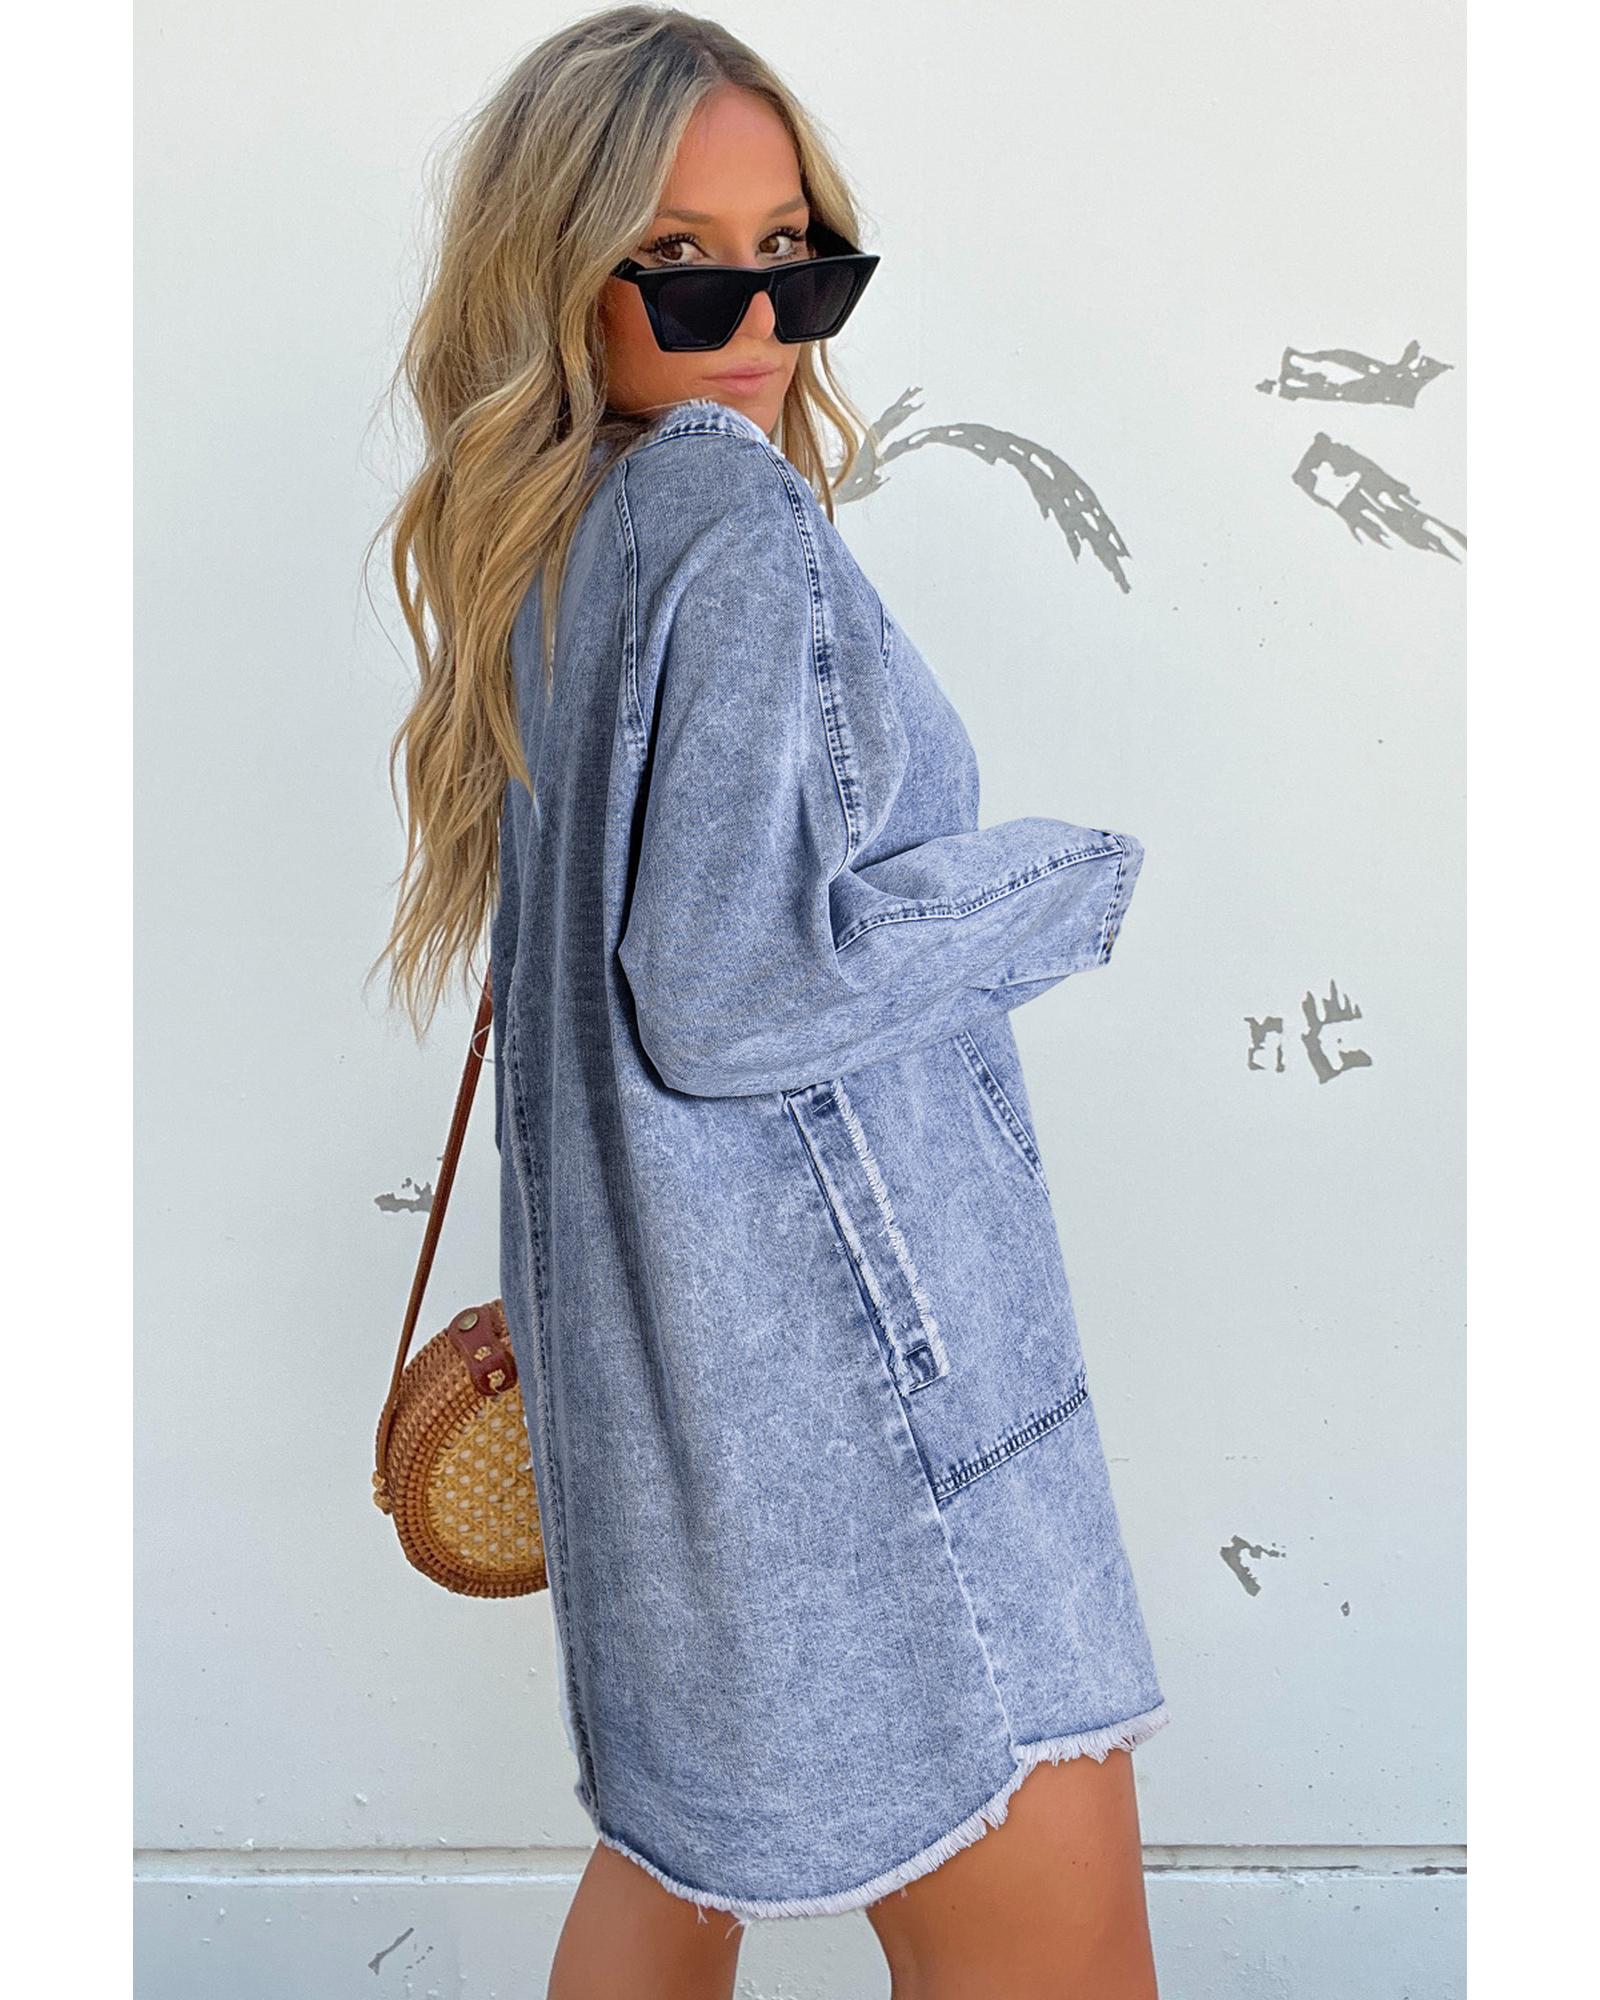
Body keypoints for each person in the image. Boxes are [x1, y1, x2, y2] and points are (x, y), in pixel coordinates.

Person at [373, 9, 1170, 1995]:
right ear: (557, 275)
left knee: (668, 1878)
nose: (755, 318)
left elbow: (590, 1011)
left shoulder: (550, 540)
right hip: (882, 1418)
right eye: (679, 261)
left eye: (795, 253)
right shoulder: (730, 522)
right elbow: (731, 997)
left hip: (678, 1408)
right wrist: (1060, 887)